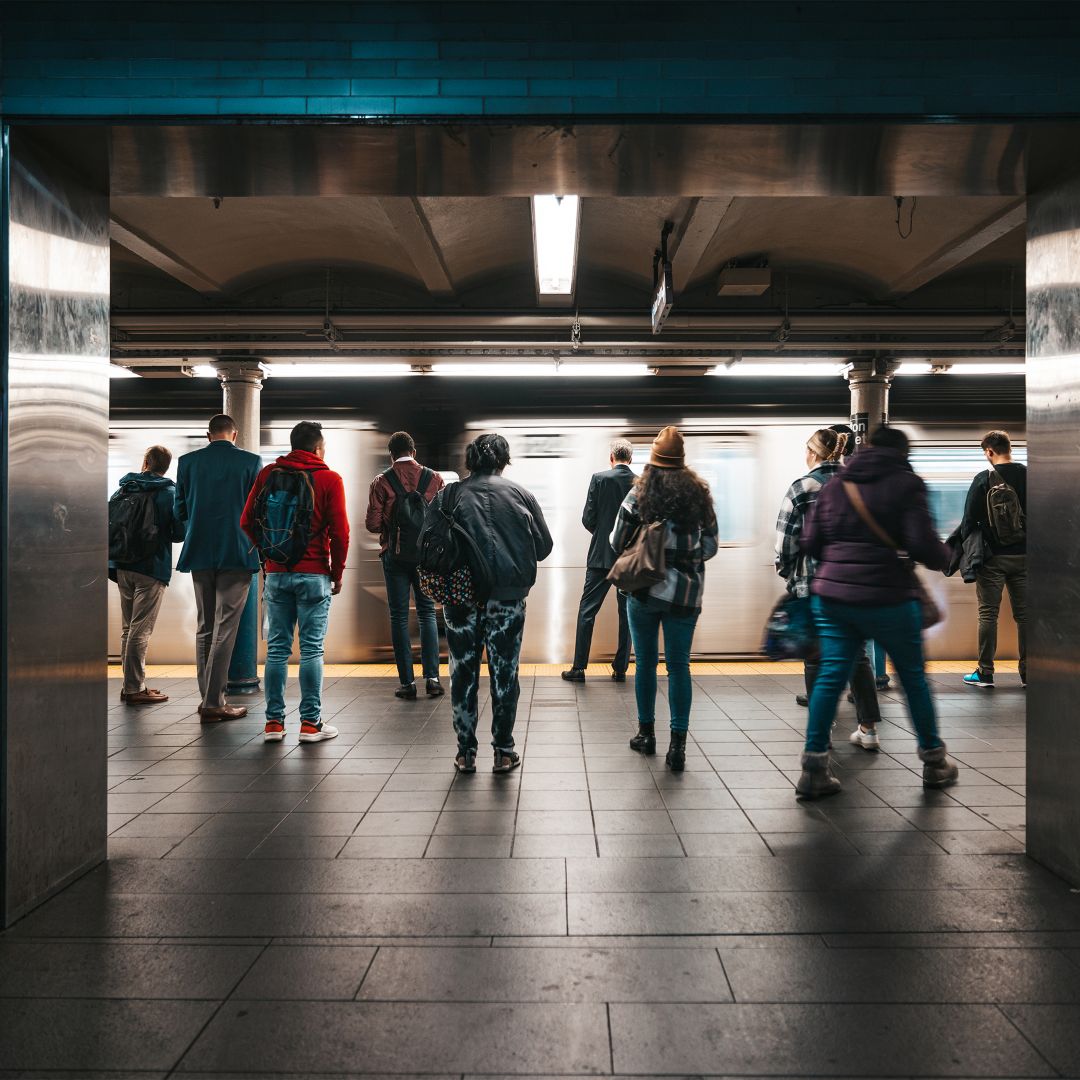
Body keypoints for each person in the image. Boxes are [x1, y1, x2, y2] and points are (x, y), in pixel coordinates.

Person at [796, 425, 959, 798]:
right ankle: (934, 762)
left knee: (830, 676)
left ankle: (814, 768)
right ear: (902, 454)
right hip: (890, 597)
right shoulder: (907, 483)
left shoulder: (838, 484)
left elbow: (810, 541)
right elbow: (922, 544)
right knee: (913, 678)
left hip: (834, 599)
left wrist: (841, 563)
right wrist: (947, 556)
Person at [426, 433, 552, 774]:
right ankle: (503, 751)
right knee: (505, 674)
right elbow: (543, 547)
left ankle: (466, 753)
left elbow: (430, 547)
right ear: (503, 461)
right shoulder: (521, 495)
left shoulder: (448, 495)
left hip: (461, 600)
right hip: (507, 601)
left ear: (470, 461)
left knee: (462, 673)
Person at [611, 426, 718, 772]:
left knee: (645, 663)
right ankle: (678, 746)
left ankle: (646, 734)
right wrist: (686, 558)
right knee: (678, 667)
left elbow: (616, 540)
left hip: (644, 590)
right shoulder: (701, 496)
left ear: (654, 461)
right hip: (686, 595)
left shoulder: (639, 494)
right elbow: (712, 545)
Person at [242, 421, 350, 744]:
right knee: (312, 650)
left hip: (277, 574)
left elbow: (247, 521)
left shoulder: (268, 475)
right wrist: (337, 573)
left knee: (277, 649)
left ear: (292, 447)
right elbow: (340, 533)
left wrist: (269, 558)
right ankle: (310, 724)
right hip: (315, 575)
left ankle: (274, 724)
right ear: (318, 448)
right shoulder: (330, 479)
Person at [774, 427, 882, 733]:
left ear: (812, 453)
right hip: (855, 585)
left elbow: (785, 543)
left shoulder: (802, 487)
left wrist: (790, 574)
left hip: (814, 585)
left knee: (815, 657)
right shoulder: (860, 486)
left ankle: (823, 724)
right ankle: (869, 728)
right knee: (857, 656)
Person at [176, 414, 262, 722]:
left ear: (208, 434)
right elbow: (257, 510)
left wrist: (197, 530)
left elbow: (180, 510)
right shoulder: (252, 462)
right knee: (227, 628)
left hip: (199, 551)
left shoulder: (187, 463)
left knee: (205, 627)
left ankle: (208, 698)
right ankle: (214, 702)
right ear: (235, 434)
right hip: (237, 552)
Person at [366, 430, 446, 700]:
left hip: (395, 557)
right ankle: (433, 679)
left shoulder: (381, 481)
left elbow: (373, 524)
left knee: (399, 616)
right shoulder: (434, 479)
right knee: (427, 614)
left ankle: (407, 684)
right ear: (413, 452)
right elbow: (443, 520)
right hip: (425, 559)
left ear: (391, 455)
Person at [109, 445, 185, 704]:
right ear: (166, 466)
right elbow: (178, 533)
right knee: (140, 631)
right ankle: (134, 689)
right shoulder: (168, 493)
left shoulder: (123, 488)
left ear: (145, 462)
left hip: (122, 565)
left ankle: (131, 684)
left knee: (128, 629)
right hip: (151, 568)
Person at [562, 439, 636, 683]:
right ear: (631, 459)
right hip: (628, 559)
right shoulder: (640, 482)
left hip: (601, 556)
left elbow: (587, 518)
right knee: (626, 615)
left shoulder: (599, 478)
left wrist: (604, 534)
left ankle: (579, 667)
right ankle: (621, 668)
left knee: (587, 611)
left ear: (612, 458)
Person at [960, 430, 1027, 689]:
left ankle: (985, 673)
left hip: (992, 559)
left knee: (988, 614)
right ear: (1009, 447)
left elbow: (968, 522)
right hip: (1025, 557)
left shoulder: (984, 479)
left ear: (989, 451)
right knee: (1025, 616)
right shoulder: (1029, 475)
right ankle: (1029, 673)